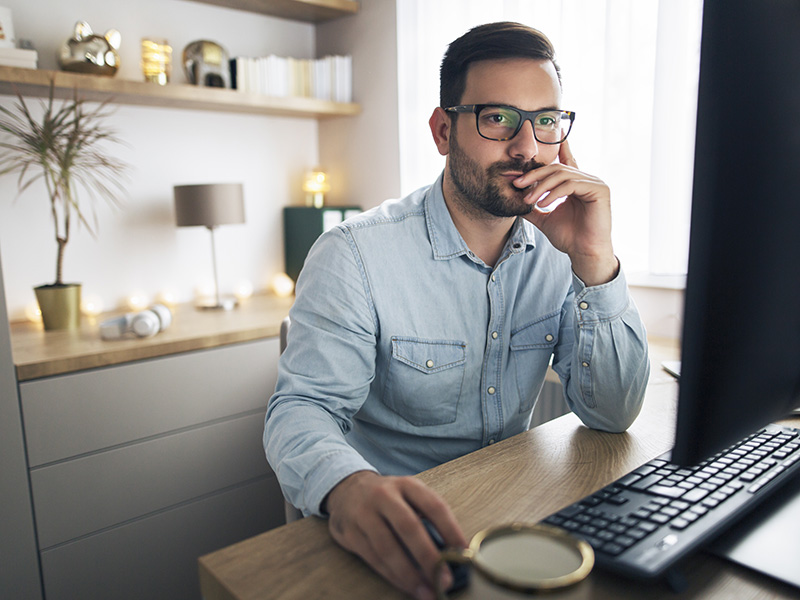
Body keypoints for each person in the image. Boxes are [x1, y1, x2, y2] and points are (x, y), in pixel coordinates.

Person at [265, 21, 650, 600]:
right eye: (498, 118)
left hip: (511, 520)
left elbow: (613, 413)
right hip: (400, 538)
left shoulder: (562, 250)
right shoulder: (354, 254)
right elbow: (302, 409)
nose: (526, 148)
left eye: (545, 122)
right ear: (443, 131)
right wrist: (347, 487)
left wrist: (595, 259)